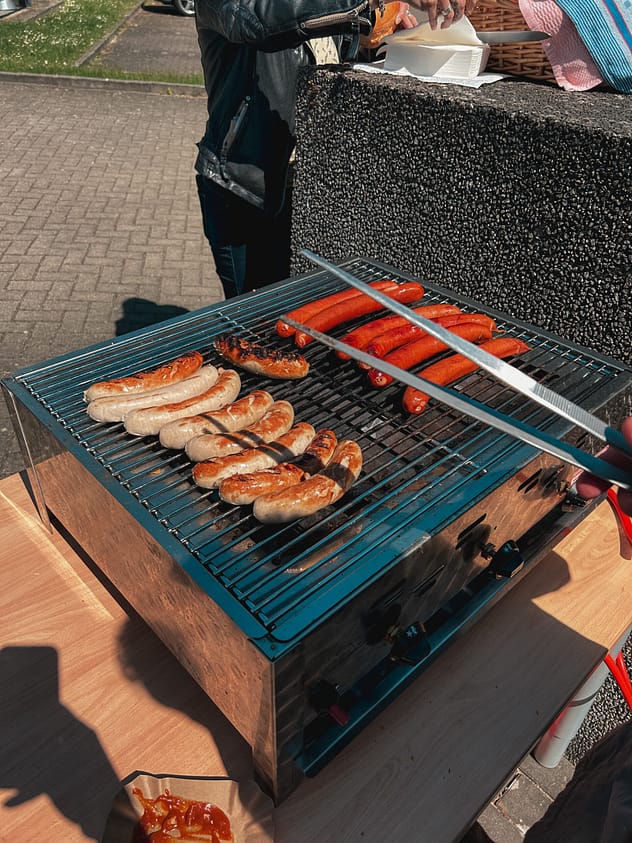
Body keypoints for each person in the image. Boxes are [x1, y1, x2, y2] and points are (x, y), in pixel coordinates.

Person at [193, 0, 475, 300]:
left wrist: (393, 34)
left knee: (300, 315)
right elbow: (255, 21)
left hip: (312, 185)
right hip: (245, 188)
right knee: (249, 321)